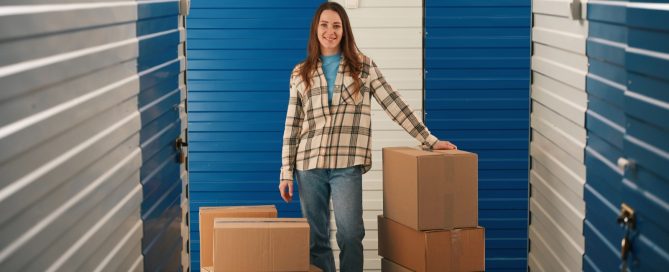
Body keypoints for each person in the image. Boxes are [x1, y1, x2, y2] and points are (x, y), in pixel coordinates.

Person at [278, 2, 457, 272]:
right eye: (324, 25)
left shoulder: (363, 67)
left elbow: (394, 103)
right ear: (316, 29)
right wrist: (285, 172)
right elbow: (292, 125)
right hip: (308, 165)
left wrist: (429, 139)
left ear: (345, 30)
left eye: (336, 25)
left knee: (351, 235)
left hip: (347, 164)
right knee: (317, 241)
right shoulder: (300, 72)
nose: (330, 31)